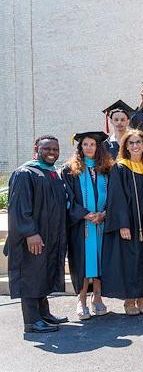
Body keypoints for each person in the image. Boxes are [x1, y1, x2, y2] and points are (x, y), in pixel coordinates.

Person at [6, 135, 69, 333]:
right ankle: (32, 321)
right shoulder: (25, 173)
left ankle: (44, 313)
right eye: (47, 149)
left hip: (50, 235)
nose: (52, 153)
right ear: (36, 149)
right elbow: (18, 207)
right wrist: (30, 233)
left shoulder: (51, 173)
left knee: (42, 274)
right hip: (34, 237)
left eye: (55, 149)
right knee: (32, 275)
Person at [61, 131, 113, 320]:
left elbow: (115, 196)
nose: (89, 147)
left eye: (93, 144)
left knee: (100, 261)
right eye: (85, 144)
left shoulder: (107, 169)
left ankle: (97, 298)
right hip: (80, 226)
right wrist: (84, 214)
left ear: (99, 147)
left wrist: (104, 214)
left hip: (102, 224)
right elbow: (65, 197)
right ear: (80, 148)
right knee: (82, 263)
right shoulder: (69, 170)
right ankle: (81, 299)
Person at [102, 129, 143, 316]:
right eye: (131, 143)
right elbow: (116, 198)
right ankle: (129, 300)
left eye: (138, 142)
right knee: (130, 260)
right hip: (129, 224)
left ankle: (141, 297)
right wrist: (122, 224)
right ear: (125, 146)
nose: (135, 146)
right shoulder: (121, 167)